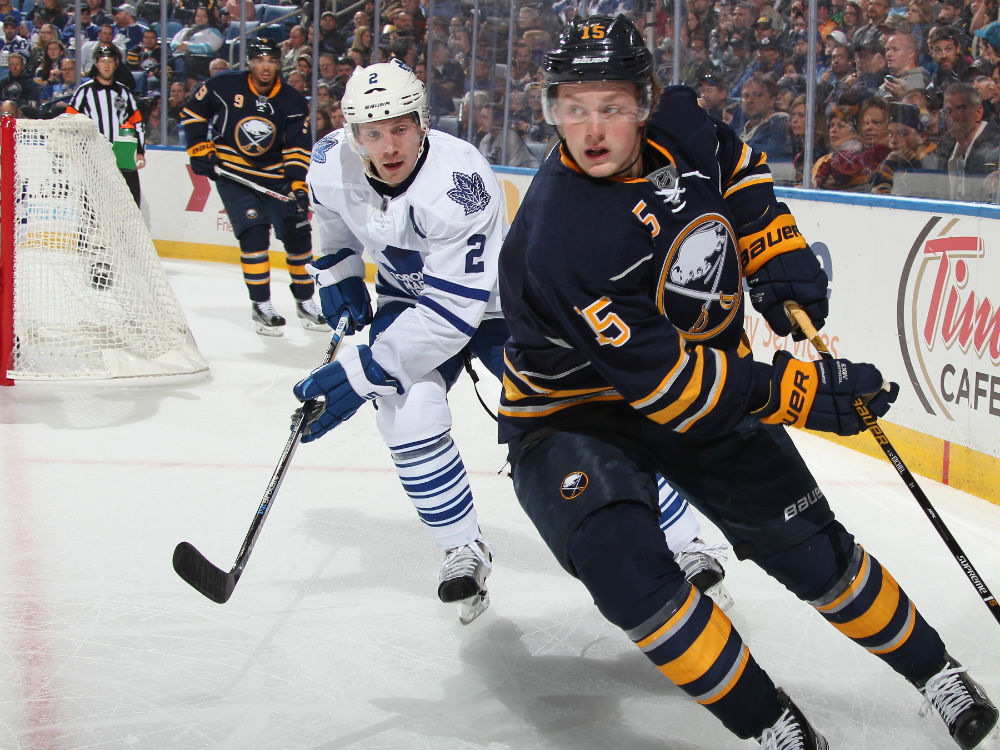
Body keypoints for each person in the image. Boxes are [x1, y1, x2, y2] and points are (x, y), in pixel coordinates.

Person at [495, 14, 998, 750]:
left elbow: (737, 170)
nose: (592, 129)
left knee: (814, 551)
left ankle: (936, 674)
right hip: (571, 412)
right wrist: (802, 396)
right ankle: (772, 725)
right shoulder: (560, 234)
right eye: (573, 108)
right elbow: (672, 387)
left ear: (645, 100)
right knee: (623, 567)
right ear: (552, 111)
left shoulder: (679, 125)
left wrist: (773, 242)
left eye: (610, 107)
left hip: (707, 373)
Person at [290, 58, 507, 625]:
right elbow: (331, 217)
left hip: (493, 306)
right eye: (373, 133)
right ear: (353, 134)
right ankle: (462, 551)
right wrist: (336, 273)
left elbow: (453, 314)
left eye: (401, 128)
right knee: (406, 412)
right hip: (409, 300)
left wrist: (360, 372)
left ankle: (683, 543)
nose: (388, 146)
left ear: (423, 122)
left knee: (574, 410)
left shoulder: (459, 181)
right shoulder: (331, 159)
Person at [180, 37, 326, 335]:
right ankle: (261, 305)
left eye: (271, 61)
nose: (265, 66)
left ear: (278, 64)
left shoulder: (292, 100)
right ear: (249, 62)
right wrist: (198, 148)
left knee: (299, 238)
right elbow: (193, 112)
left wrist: (298, 185)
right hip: (234, 175)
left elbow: (297, 147)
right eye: (259, 60)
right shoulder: (224, 85)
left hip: (276, 179)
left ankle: (305, 300)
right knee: (255, 235)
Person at [66, 44, 145, 205]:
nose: (107, 65)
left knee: (130, 201)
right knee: (92, 202)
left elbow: (137, 123)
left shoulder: (124, 92)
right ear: (96, 64)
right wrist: (73, 150)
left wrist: (140, 151)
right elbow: (69, 122)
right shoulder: (84, 92)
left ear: (116, 64)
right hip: (93, 153)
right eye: (103, 61)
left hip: (123, 153)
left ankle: (126, 231)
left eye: (110, 61)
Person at [870, 100, 948, 196]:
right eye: (891, 133)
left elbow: (881, 202)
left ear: (922, 137)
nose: (893, 140)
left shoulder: (933, 165)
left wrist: (888, 165)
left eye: (902, 134)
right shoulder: (895, 159)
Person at [942, 81, 1000, 200]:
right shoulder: (946, 150)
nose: (953, 116)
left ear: (978, 112)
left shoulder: (996, 149)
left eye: (960, 109)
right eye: (948, 111)